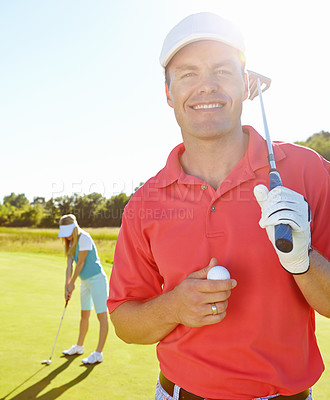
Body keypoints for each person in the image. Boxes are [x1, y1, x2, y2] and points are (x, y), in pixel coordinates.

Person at [107, 12, 330, 400]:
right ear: (168, 93)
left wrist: (304, 260)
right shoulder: (144, 203)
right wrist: (173, 307)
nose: (206, 86)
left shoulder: (308, 171)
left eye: (222, 71)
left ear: (245, 85)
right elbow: (126, 323)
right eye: (188, 74)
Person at [58, 214, 109, 364]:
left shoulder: (84, 238)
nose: (65, 237)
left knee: (102, 317)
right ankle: (79, 346)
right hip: (85, 282)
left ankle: (98, 353)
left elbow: (80, 263)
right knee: (84, 315)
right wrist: (67, 285)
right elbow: (69, 265)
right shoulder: (69, 242)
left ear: (73, 229)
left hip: (97, 280)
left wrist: (72, 282)